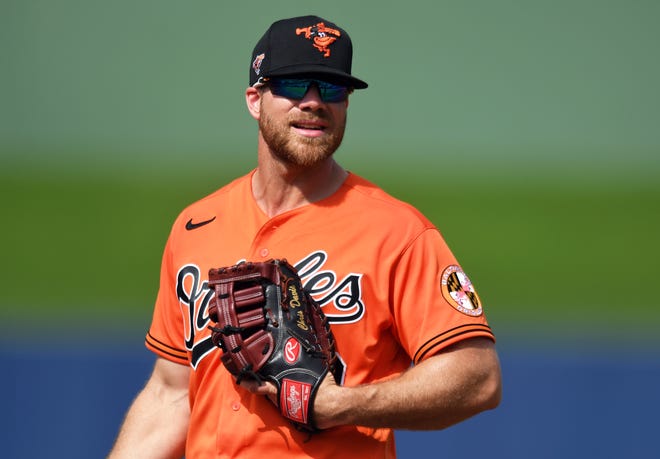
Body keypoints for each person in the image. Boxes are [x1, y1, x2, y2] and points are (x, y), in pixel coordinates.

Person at [108, 15, 502, 459]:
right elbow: (171, 394)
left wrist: (340, 405)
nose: (314, 102)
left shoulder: (397, 232)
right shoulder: (196, 225)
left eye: (332, 89)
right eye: (295, 86)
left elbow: (478, 376)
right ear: (255, 100)